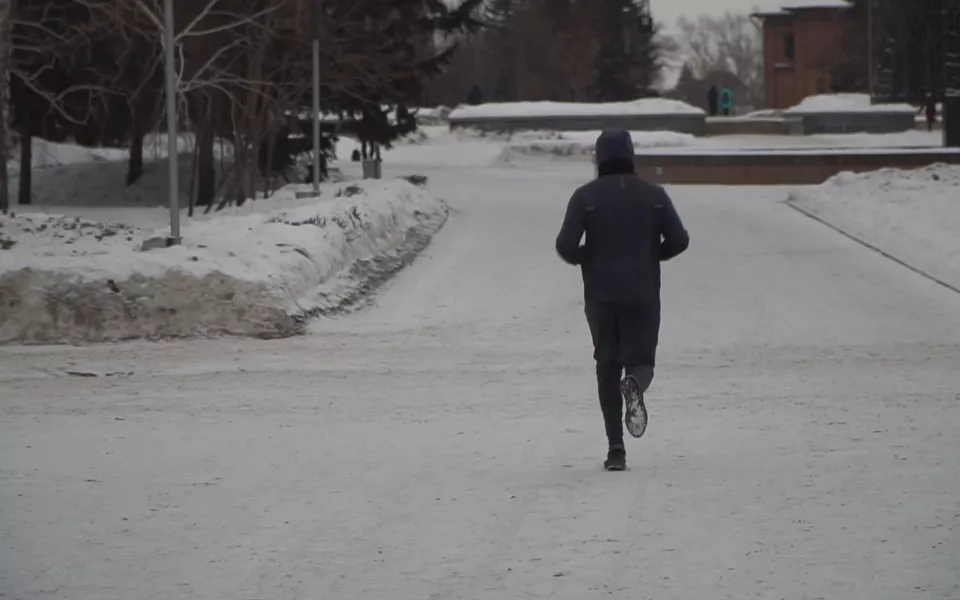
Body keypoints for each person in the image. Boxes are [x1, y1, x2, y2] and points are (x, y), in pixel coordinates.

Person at [555, 130, 689, 471]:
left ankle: (616, 448)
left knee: (607, 363)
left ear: (599, 159)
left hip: (601, 295)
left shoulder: (585, 197)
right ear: (631, 156)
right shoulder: (654, 195)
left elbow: (565, 245)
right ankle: (635, 385)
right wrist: (650, 255)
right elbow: (679, 239)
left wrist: (587, 257)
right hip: (642, 292)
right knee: (641, 361)